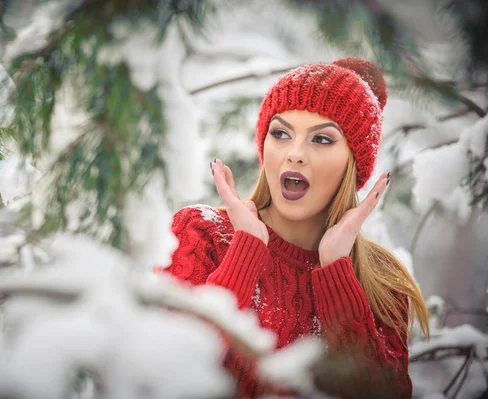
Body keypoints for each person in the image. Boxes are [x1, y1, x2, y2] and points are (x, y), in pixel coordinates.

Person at [160, 57, 430, 398]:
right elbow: (165, 376)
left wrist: (337, 272)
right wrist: (245, 252)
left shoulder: (381, 281)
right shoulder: (200, 234)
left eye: (322, 140)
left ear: (353, 165)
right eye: (281, 133)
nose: (295, 154)